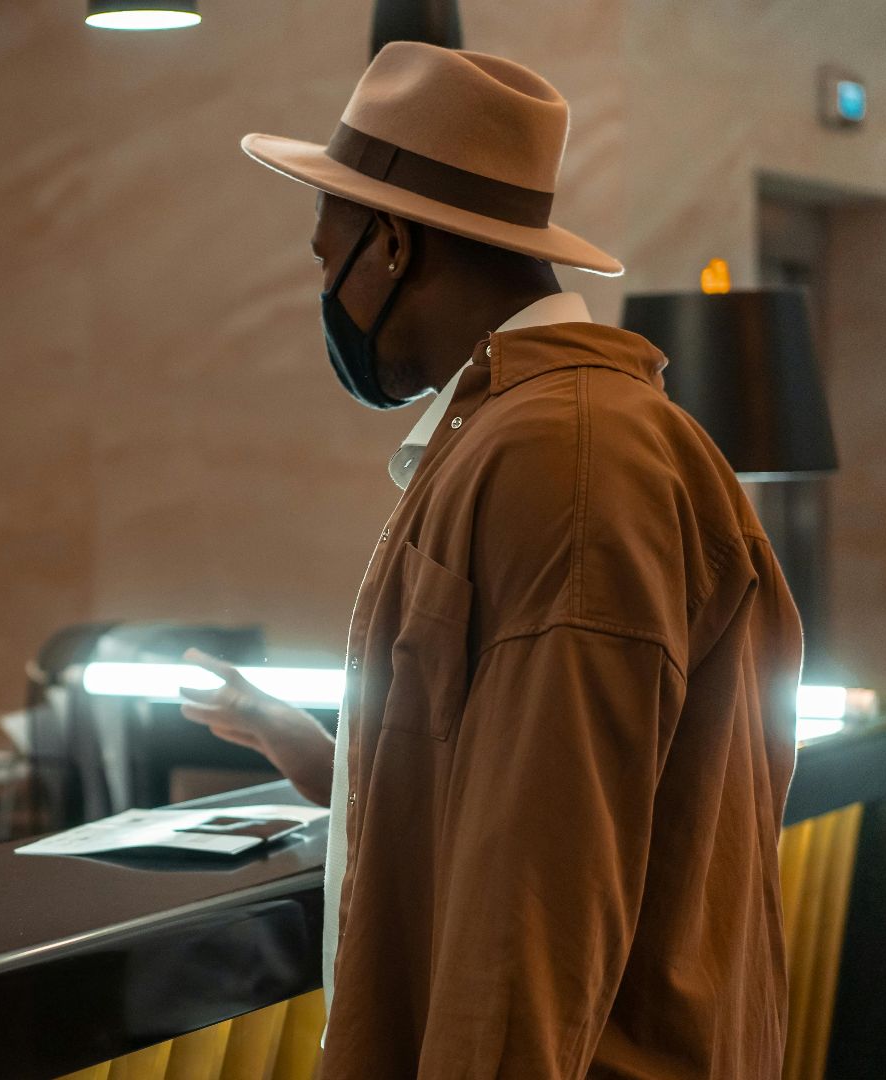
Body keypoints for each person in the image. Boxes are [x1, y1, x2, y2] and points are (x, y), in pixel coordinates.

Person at [182, 43, 801, 1077]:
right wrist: (318, 755)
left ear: (388, 246)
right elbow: (514, 783)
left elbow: (538, 913)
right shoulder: (557, 437)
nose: (324, 289)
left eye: (324, 253)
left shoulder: (564, 464)